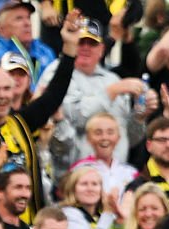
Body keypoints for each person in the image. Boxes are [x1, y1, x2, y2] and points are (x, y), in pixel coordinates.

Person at [0, 10, 80, 222]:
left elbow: (54, 95)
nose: (3, 95)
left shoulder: (21, 121)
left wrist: (69, 49)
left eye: (7, 88)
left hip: (30, 224)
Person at [38, 17, 154, 166]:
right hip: (74, 175)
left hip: (115, 175)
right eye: (81, 42)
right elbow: (73, 117)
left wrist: (139, 117)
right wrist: (111, 92)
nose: (86, 47)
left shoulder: (112, 79)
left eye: (92, 43)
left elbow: (127, 138)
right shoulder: (56, 72)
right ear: (71, 44)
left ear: (101, 50)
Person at [0, 0, 55, 88]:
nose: (27, 23)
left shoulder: (45, 51)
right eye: (19, 18)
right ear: (2, 29)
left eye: (28, 17)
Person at [69, 112, 139, 195]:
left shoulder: (131, 173)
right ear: (88, 138)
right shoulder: (78, 170)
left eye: (110, 132)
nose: (105, 137)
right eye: (98, 133)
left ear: (118, 137)